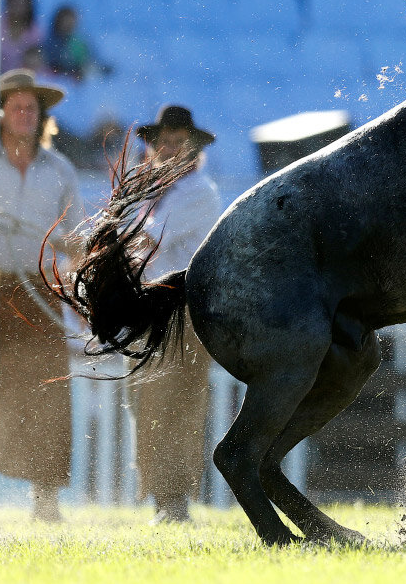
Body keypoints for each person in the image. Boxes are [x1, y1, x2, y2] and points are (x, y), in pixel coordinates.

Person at [0, 69, 85, 522]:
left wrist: (73, 286)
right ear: (3, 114)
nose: (25, 114)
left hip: (43, 294)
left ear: (41, 115)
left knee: (49, 395)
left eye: (31, 107)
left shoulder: (61, 170)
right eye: (16, 107)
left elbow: (78, 240)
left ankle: (45, 500)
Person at [131, 105, 223, 523]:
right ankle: (164, 498)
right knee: (147, 401)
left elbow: (143, 240)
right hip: (151, 306)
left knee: (175, 401)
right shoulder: (150, 190)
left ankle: (174, 501)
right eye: (162, 142)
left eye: (176, 143)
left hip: (182, 309)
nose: (168, 150)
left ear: (192, 149)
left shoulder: (199, 191)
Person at [43, 4, 111, 82]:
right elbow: (51, 62)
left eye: (71, 21)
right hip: (60, 74)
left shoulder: (80, 41)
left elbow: (91, 59)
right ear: (58, 22)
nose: (68, 25)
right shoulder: (51, 41)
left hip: (80, 72)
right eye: (65, 21)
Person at [0, 0, 44, 72]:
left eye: (22, 4)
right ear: (8, 3)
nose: (18, 8)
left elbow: (36, 65)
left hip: (23, 83)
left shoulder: (34, 32)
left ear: (28, 6)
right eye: (15, 3)